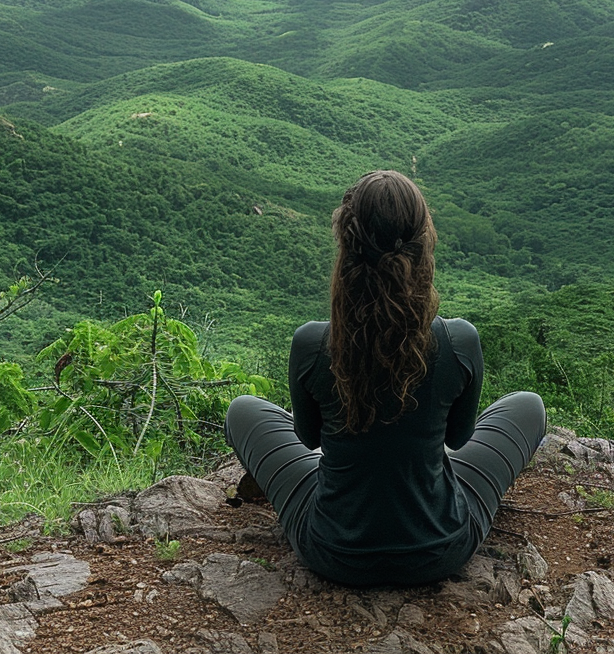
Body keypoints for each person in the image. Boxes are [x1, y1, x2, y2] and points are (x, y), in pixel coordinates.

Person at [225, 170, 546, 587]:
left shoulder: (312, 343)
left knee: (243, 410)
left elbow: (308, 440)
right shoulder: (458, 340)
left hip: (334, 550)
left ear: (346, 247)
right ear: (422, 245)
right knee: (529, 406)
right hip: (442, 546)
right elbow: (459, 440)